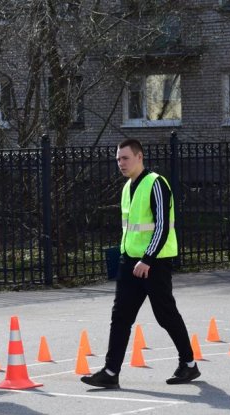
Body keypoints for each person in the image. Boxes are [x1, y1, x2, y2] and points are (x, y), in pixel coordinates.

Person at [81, 138, 200, 389]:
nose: (120, 163)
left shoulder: (156, 183)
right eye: (118, 159)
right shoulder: (127, 188)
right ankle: (111, 371)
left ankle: (188, 364)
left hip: (154, 262)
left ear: (139, 157)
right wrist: (128, 257)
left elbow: (163, 226)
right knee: (120, 317)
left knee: (165, 315)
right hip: (130, 262)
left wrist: (147, 259)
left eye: (125, 158)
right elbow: (131, 228)